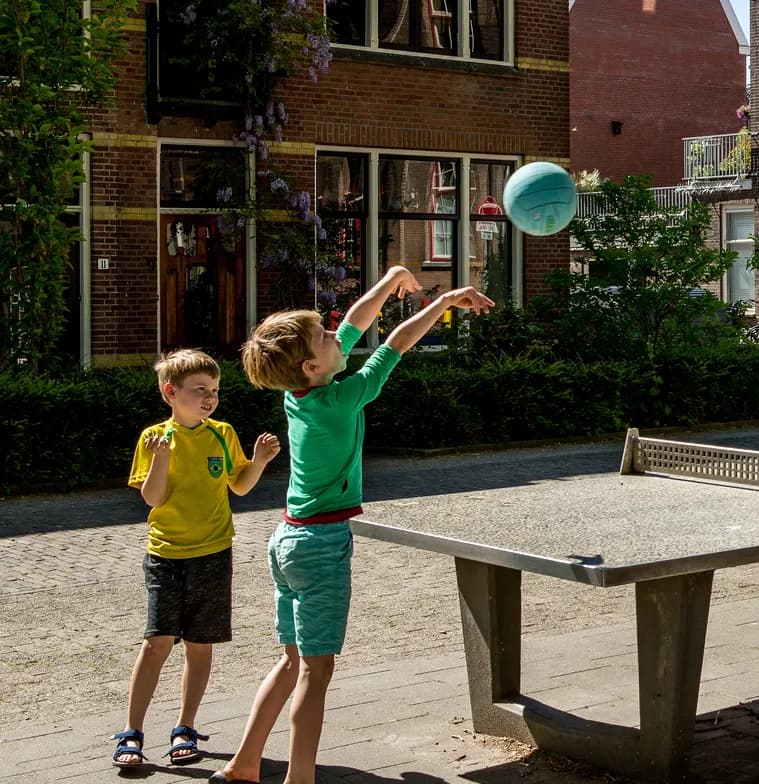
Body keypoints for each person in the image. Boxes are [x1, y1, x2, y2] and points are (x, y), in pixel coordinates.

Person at [209, 267, 493, 784]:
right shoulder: (341, 400)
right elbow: (399, 342)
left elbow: (356, 325)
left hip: (286, 541)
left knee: (291, 662)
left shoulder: (302, 391)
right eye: (324, 333)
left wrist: (390, 281)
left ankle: (243, 764)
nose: (336, 332)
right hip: (320, 544)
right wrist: (446, 299)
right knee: (316, 673)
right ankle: (300, 778)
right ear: (313, 363)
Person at [115, 350, 281, 769]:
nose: (210, 398)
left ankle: (184, 727)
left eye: (215, 391)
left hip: (213, 552)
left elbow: (239, 487)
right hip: (166, 554)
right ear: (171, 393)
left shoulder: (222, 434)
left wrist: (258, 463)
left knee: (200, 645)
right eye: (200, 391)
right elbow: (152, 499)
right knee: (157, 643)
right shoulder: (154, 438)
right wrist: (162, 459)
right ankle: (132, 731)